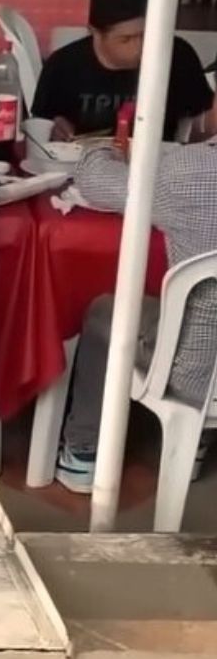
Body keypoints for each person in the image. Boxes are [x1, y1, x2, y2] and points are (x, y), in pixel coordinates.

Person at [56, 143, 217, 492]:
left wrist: (102, 148)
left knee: (104, 312)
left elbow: (94, 181)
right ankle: (194, 445)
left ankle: (84, 451)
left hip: (191, 372)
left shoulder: (191, 173)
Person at [32, 0, 217, 140]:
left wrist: (210, 120)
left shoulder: (178, 56)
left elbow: (199, 127)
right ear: (95, 33)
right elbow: (39, 128)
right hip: (81, 166)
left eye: (145, 35)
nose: (140, 48)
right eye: (126, 39)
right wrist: (53, 128)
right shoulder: (63, 67)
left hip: (157, 167)